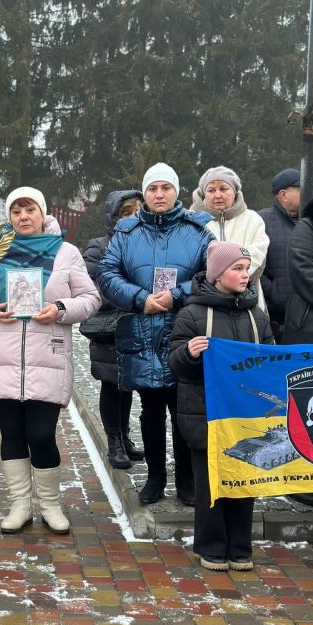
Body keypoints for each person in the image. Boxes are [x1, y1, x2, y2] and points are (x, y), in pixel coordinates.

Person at [0, 186, 101, 534]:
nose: (23, 217)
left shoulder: (66, 252)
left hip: (48, 356)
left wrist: (59, 309)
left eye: (30, 210)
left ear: (43, 213)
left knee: (42, 434)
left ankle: (50, 504)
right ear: (9, 217)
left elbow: (90, 299)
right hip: (2, 357)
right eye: (16, 211)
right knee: (11, 434)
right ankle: (20, 505)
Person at [98, 163, 214, 507]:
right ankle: (155, 477)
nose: (159, 194)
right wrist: (139, 299)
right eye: (152, 189)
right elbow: (107, 272)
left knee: (184, 410)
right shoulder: (127, 232)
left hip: (184, 330)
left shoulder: (199, 231)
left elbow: (212, 273)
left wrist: (176, 294)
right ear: (144, 194)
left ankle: (187, 480)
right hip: (142, 330)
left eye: (166, 188)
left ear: (177, 191)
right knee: (150, 410)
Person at [169, 241, 273, 571]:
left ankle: (241, 547)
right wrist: (189, 353)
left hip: (247, 416)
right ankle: (211, 546)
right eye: (237, 269)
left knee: (244, 480)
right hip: (205, 414)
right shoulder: (191, 314)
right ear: (217, 275)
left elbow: (270, 357)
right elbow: (174, 363)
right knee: (212, 483)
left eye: (247, 268)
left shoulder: (257, 315)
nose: (245, 275)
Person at [82, 189, 144, 468]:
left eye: (137, 212)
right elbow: (93, 289)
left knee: (129, 385)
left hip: (140, 326)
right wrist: (131, 295)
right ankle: (114, 441)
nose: (133, 218)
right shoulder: (99, 246)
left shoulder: (148, 243)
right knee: (112, 384)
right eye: (126, 213)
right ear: (114, 217)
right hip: (111, 327)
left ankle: (126, 436)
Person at [190, 166, 269, 310]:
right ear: (204, 195)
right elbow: (189, 259)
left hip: (246, 299)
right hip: (204, 301)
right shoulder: (191, 221)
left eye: (223, 189)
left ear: (234, 192)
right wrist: (215, 283)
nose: (217, 195)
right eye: (211, 190)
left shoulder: (252, 220)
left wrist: (230, 279)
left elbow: (257, 256)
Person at [283, 192, 313, 507]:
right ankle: (304, 480)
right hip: (310, 330)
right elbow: (306, 273)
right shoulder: (309, 226)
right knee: (308, 411)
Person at [260, 168, 301, 343]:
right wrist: (275, 293)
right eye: (302, 188)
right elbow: (253, 266)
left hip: (311, 318)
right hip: (274, 321)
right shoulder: (260, 221)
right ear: (283, 195)